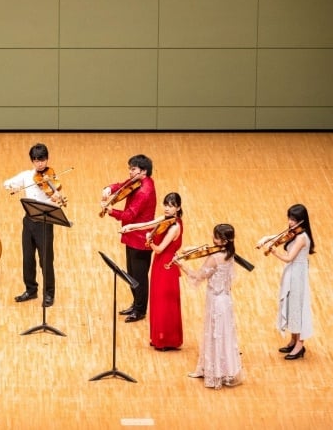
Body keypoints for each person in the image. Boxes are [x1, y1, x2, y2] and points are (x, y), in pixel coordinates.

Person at [181, 223, 244, 389]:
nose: (212, 238)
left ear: (222, 241)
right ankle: (220, 370)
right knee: (224, 336)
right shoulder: (230, 253)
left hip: (216, 302)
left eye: (215, 237)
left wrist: (181, 265)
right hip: (225, 300)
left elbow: (197, 277)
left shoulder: (214, 258)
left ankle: (213, 371)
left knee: (214, 334)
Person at [3, 143, 66, 307]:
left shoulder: (51, 177)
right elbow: (6, 183)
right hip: (29, 221)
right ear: (32, 161)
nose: (40, 164)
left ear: (47, 159)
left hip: (45, 223)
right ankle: (31, 290)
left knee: (46, 260)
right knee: (28, 258)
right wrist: (14, 186)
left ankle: (49, 294)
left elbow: (57, 195)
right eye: (36, 160)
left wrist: (55, 198)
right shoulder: (26, 176)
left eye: (42, 160)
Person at [121, 192, 183, 350]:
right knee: (157, 300)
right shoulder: (166, 220)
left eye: (171, 206)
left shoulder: (175, 227)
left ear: (178, 208)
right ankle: (158, 338)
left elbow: (160, 249)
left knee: (165, 303)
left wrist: (149, 242)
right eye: (166, 205)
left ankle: (167, 340)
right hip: (159, 264)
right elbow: (147, 224)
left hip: (166, 266)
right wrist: (130, 227)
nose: (167, 208)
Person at [101, 154, 156, 323]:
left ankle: (140, 310)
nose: (130, 173)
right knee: (132, 273)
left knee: (139, 277)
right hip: (132, 236)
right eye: (130, 169)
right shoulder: (139, 181)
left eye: (133, 169)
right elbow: (123, 185)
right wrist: (109, 189)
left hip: (140, 240)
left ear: (143, 171)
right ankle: (136, 304)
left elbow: (129, 215)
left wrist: (111, 211)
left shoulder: (144, 192)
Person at [257, 204, 315, 360]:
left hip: (297, 274)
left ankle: (300, 345)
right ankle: (293, 339)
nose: (290, 222)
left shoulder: (302, 237)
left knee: (298, 306)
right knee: (291, 305)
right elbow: (278, 236)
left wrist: (273, 251)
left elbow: (289, 258)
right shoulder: (295, 233)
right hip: (292, 272)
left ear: (301, 220)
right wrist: (266, 239)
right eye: (289, 218)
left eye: (294, 219)